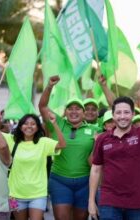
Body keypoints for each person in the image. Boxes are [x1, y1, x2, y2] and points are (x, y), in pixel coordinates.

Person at [88, 78, 140, 220]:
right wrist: (91, 201)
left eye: (127, 113)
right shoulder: (103, 139)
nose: (123, 117)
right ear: (113, 115)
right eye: (119, 113)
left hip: (137, 203)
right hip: (109, 202)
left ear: (133, 114)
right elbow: (96, 170)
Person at [39, 75, 98, 220]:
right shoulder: (57, 123)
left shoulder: (94, 129)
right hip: (60, 181)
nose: (74, 111)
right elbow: (43, 107)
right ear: (65, 112)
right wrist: (49, 86)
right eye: (70, 109)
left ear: (84, 114)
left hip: (85, 182)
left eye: (78, 109)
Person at [3, 111, 66, 220]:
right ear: (20, 126)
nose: (29, 126)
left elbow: (62, 144)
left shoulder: (43, 142)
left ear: (38, 127)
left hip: (38, 194)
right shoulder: (12, 140)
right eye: (26, 123)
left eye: (33, 124)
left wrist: (55, 124)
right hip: (14, 195)